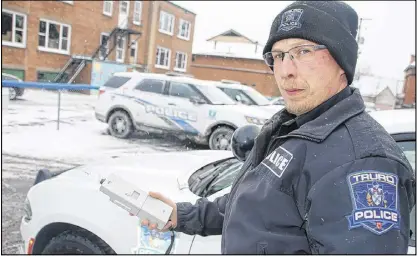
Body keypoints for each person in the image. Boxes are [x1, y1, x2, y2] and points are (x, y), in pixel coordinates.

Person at [143, 0, 416, 254]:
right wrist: (183, 215)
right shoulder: (296, 128)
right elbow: (256, 205)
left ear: (341, 62)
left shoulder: (360, 163)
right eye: (278, 55)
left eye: (303, 51)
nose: (285, 70)